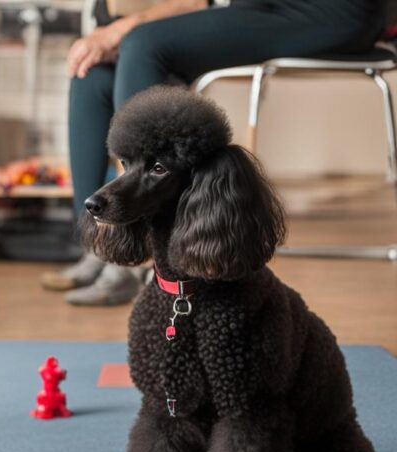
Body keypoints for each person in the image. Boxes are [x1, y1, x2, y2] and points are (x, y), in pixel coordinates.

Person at [41, 0, 384, 305]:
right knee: (92, 72)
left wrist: (122, 27)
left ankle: (140, 245)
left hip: (326, 10)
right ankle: (102, 242)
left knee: (142, 42)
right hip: (255, 7)